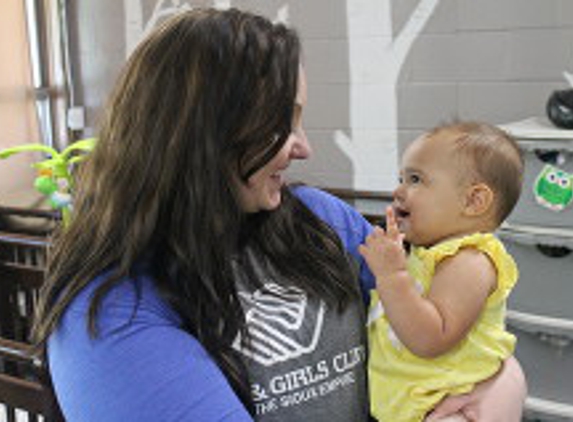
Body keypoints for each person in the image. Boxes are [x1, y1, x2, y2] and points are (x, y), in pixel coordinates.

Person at [30, 9, 525, 422]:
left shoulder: (317, 217)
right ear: (204, 130)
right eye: (283, 121)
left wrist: (503, 384)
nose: (305, 147)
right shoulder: (111, 311)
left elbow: (440, 332)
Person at [360, 121, 526, 421]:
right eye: (401, 178)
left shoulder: (471, 260)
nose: (398, 190)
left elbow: (431, 338)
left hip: (449, 408)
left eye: (415, 179)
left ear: (474, 201)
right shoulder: (428, 255)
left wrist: (391, 276)